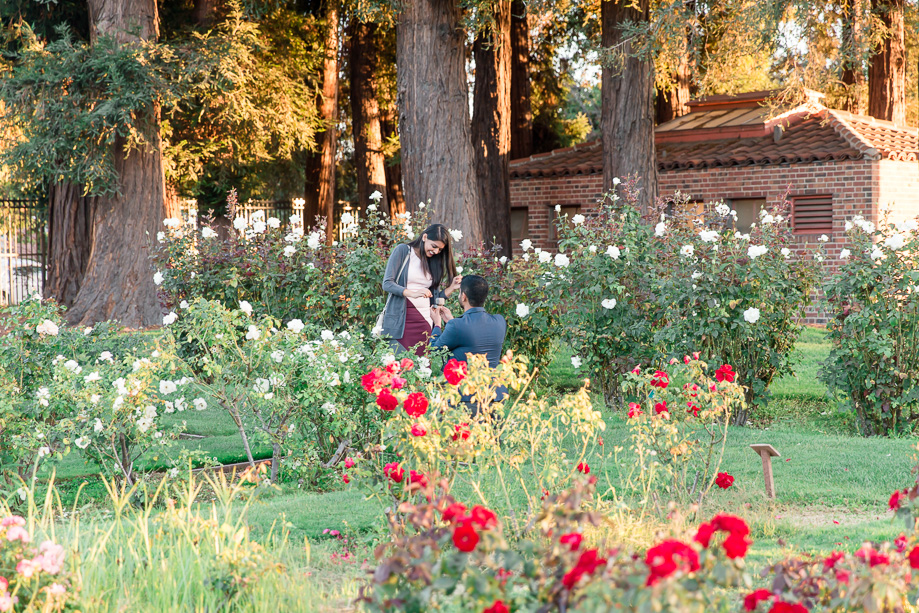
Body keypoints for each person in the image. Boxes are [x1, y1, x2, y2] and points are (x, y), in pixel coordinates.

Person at [380, 224, 462, 356]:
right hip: (401, 321)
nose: (436, 251)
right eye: (434, 246)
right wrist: (412, 293)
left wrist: (451, 288)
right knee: (398, 363)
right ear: (424, 237)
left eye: (440, 249)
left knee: (422, 365)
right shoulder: (403, 251)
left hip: (425, 322)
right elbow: (387, 284)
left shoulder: (433, 261)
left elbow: (434, 299)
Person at [430, 275, 508, 414]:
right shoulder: (499, 321)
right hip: (494, 394)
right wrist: (451, 322)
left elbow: (435, 349)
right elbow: (473, 334)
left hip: (465, 396)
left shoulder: (457, 325)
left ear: (464, 296)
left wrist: (437, 324)